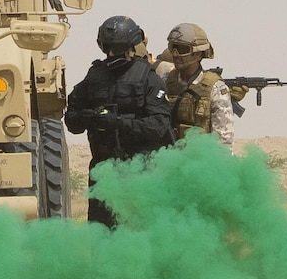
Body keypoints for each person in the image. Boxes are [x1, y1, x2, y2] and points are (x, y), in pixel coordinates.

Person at [64, 15, 174, 227]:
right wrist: (90, 118)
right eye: (109, 48)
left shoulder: (148, 78)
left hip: (141, 170)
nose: (112, 54)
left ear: (131, 47)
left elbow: (158, 127)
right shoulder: (94, 76)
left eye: (118, 48)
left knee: (139, 232)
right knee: (101, 234)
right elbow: (72, 121)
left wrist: (119, 123)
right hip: (104, 171)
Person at [155, 23, 237, 153]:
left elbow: (223, 142)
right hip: (170, 160)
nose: (175, 54)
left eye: (182, 49)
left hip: (202, 162)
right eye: (173, 48)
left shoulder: (215, 88)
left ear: (198, 54)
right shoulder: (165, 82)